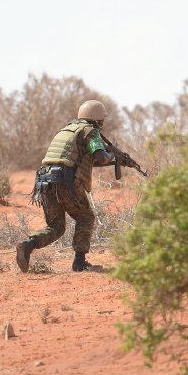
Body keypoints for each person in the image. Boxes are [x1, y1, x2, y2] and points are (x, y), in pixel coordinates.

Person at [16, 100, 115, 274]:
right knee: (85, 217)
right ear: (97, 118)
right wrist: (113, 155)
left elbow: (81, 160)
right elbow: (100, 156)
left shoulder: (66, 130)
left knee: (56, 226)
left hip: (44, 180)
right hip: (65, 180)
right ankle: (79, 262)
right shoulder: (90, 131)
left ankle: (28, 245)